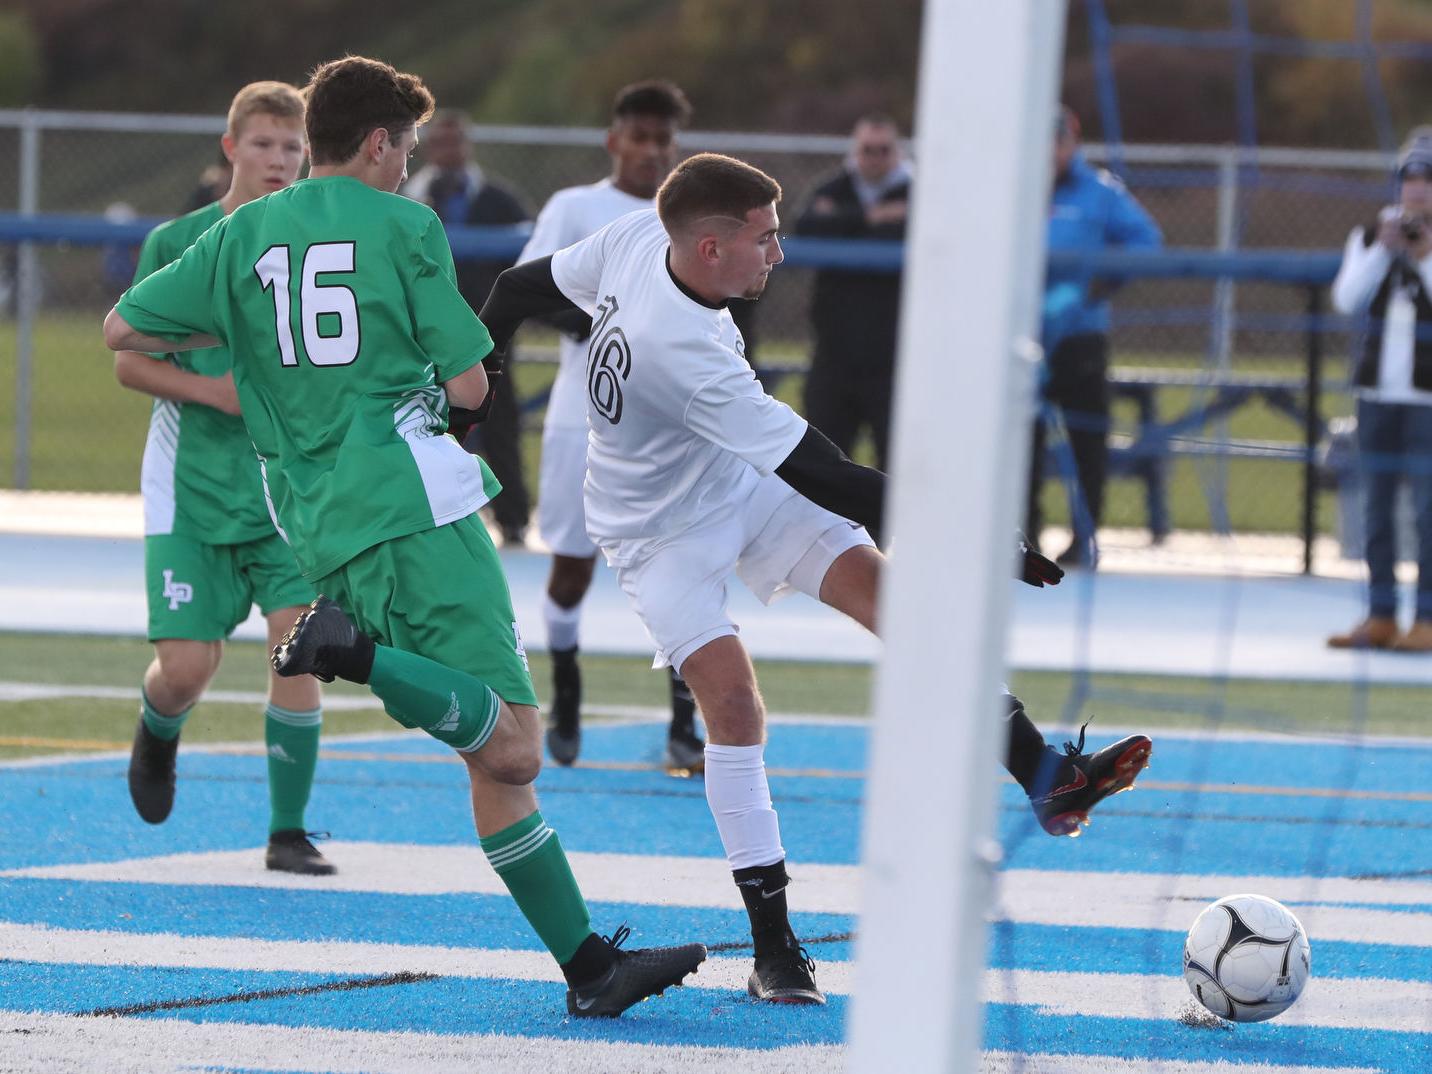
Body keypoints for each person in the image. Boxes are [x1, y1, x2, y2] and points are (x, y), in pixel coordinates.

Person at [474, 152, 1154, 1005]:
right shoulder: (679, 348)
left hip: (736, 484)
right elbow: (825, 473)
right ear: (712, 247)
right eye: (765, 238)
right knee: (732, 703)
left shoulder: (645, 230)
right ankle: (775, 946)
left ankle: (1044, 775)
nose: (780, 253)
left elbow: (515, 290)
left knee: (902, 608)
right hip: (657, 534)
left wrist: (481, 375)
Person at [103, 54, 705, 1018]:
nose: (406, 164)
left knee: (494, 761)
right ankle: (353, 653)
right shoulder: (406, 223)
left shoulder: (240, 230)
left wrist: (261, 372)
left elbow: (124, 329)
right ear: (380, 143)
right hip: (413, 505)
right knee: (513, 748)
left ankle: (592, 969)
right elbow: (469, 384)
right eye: (406, 147)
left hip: (314, 517)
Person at [113, 81, 333, 875]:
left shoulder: (316, 242)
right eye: (265, 143)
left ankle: (288, 831)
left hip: (286, 490)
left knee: (299, 649)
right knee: (185, 670)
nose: (279, 159)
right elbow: (130, 360)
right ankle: (158, 730)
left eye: (292, 145)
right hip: (193, 484)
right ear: (230, 146)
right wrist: (213, 390)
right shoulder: (178, 242)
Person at [515, 80, 705, 772]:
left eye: (664, 139)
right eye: (641, 136)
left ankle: (684, 725)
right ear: (614, 139)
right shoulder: (576, 207)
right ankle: (566, 695)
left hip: (668, 422)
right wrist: (604, 325)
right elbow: (528, 284)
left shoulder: (689, 216)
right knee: (571, 567)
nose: (652, 150)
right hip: (581, 416)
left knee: (681, 566)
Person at [1028, 105, 1162, 568]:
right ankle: (1024, 535)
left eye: (1057, 143)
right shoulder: (1014, 185)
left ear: (1072, 144)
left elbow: (1146, 242)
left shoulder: (1100, 192)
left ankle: (1084, 538)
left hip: (1078, 334)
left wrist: (1095, 287)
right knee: (1021, 438)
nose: (1049, 153)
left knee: (1087, 438)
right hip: (1022, 337)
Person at [403, 110, 533, 547]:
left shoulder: (498, 199)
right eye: (439, 141)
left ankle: (512, 517)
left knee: (500, 419)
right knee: (423, 422)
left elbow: (526, 264)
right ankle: (428, 519)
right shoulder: (411, 198)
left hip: (488, 331)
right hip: (424, 335)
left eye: (456, 141)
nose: (449, 150)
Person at [1327, 129, 1432, 652]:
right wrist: (1383, 250)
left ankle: (1428, 617)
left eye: (1427, 179)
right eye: (1410, 178)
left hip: (1426, 402)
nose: (1417, 189)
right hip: (1376, 397)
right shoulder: (1370, 236)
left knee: (1428, 512)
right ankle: (1382, 613)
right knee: (1377, 509)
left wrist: (1424, 257)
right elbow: (1347, 298)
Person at [792, 115, 911, 498]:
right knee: (824, 458)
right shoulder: (833, 187)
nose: (875, 158)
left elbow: (922, 230)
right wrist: (870, 217)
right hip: (834, 353)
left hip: (896, 356)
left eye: (884, 150)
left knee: (899, 463)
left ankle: (894, 546)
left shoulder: (919, 190)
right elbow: (805, 228)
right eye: (866, 150)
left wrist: (842, 224)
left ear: (899, 152)